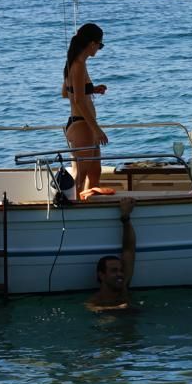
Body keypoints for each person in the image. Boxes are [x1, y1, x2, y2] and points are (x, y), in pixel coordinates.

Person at [62, 22, 111, 201]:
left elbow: (65, 92)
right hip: (82, 124)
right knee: (81, 175)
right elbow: (78, 100)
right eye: (100, 45)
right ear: (92, 44)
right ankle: (74, 207)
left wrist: (91, 89)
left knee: (95, 172)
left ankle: (88, 204)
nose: (99, 49)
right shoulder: (79, 64)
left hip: (82, 124)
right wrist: (96, 129)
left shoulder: (73, 63)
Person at [87, 197, 136, 311]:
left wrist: (125, 217)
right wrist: (120, 308)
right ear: (102, 275)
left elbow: (129, 249)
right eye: (114, 271)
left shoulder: (124, 286)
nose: (120, 274)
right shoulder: (95, 303)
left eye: (121, 270)